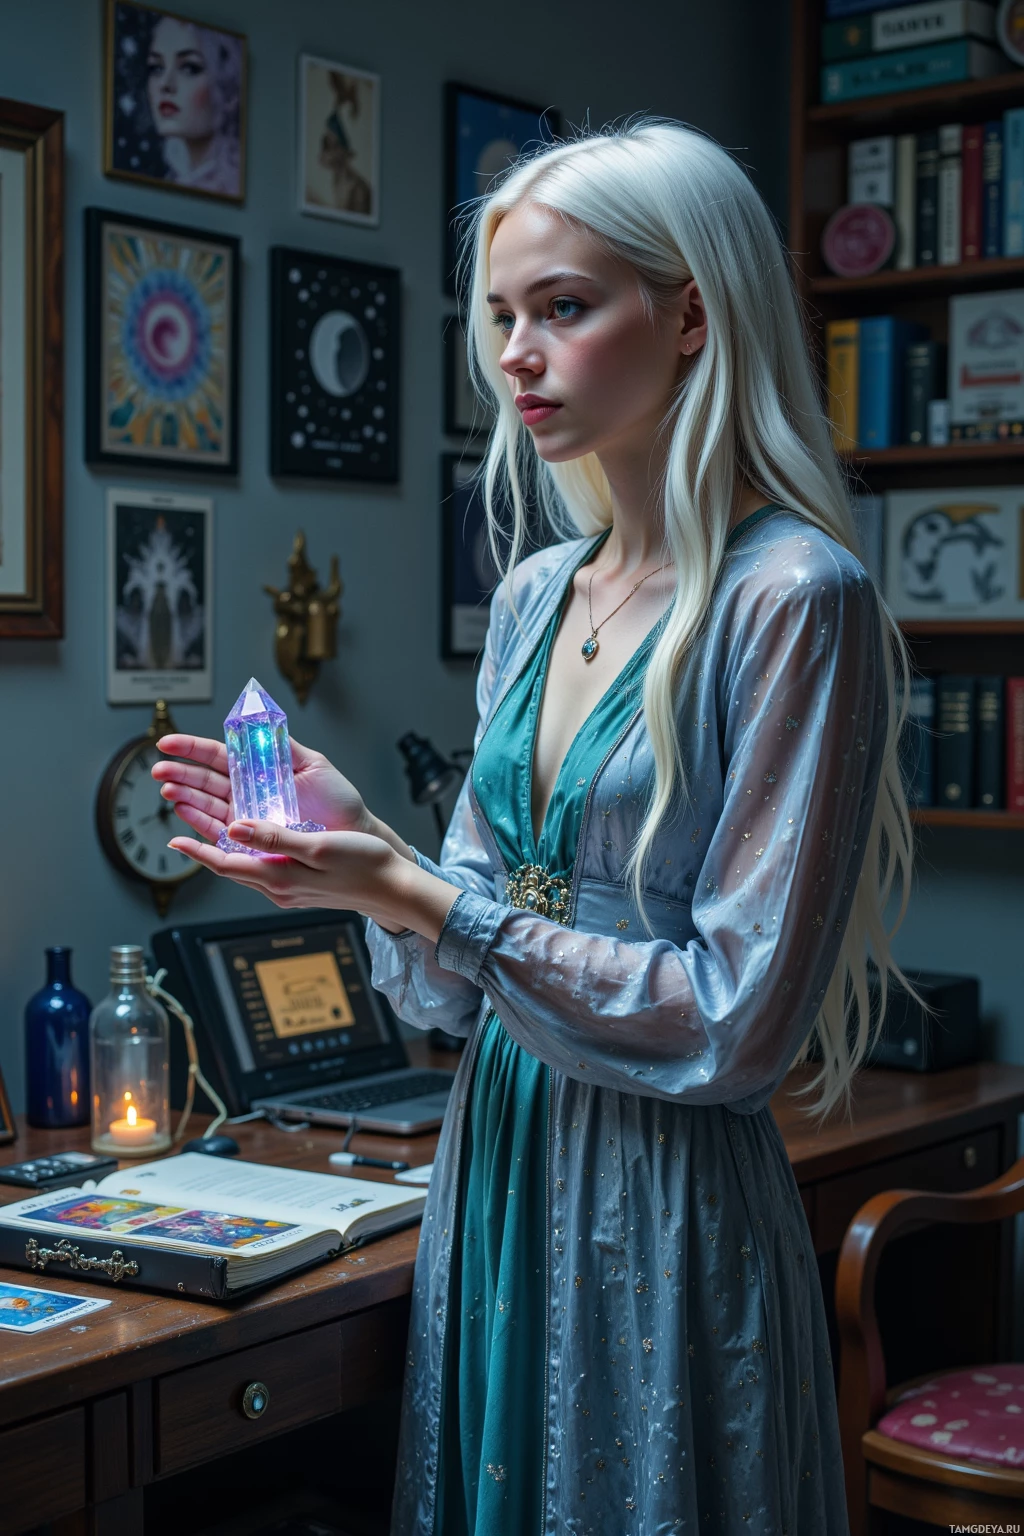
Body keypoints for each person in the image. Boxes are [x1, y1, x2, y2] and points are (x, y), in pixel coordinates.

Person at [151, 118, 915, 1535]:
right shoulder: (534, 596)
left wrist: (422, 896)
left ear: (692, 314)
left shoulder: (794, 597)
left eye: (563, 307)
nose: (517, 354)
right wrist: (367, 858)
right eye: (503, 316)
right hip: (496, 1154)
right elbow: (452, 986)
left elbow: (736, 1023)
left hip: (663, 1195)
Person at [144, 15, 242, 197]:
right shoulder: (173, 176)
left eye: (189, 68)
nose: (165, 84)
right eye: (157, 68)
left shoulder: (233, 183)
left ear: (228, 86)